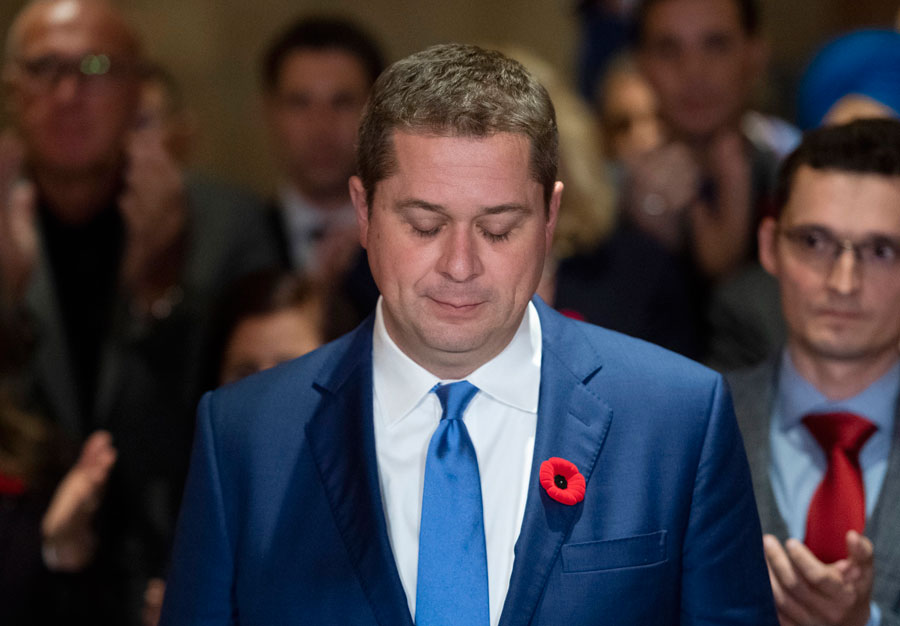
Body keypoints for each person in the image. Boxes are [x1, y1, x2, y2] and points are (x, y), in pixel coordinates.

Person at [160, 43, 775, 625]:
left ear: (551, 218)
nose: (460, 265)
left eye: (499, 228)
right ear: (365, 212)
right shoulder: (245, 437)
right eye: (425, 225)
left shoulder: (677, 420)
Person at [0, 1, 278, 622]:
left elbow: (251, 426)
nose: (68, 93)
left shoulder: (226, 228)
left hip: (181, 579)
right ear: (15, 92)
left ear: (137, 88)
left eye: (95, 67)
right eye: (44, 68)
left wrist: (160, 293)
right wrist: (7, 307)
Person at [727, 118, 900, 626]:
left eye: (881, 250)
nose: (843, 282)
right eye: (814, 242)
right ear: (768, 246)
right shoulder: (683, 429)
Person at [631, 0, 776, 280]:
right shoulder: (603, 203)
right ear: (642, 65)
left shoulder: (792, 188)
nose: (693, 71)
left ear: (755, 56)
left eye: (716, 45)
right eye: (668, 49)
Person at [261, 16, 383, 287]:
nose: (321, 128)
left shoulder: (411, 243)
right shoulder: (237, 244)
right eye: (299, 103)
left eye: (342, 103)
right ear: (271, 113)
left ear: (376, 113)